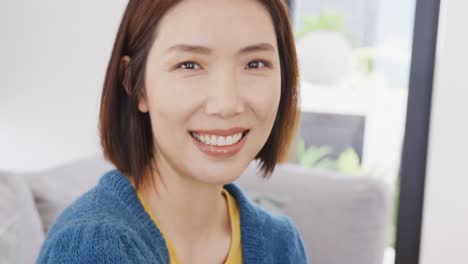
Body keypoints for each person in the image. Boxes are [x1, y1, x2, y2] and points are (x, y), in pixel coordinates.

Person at [37, 0, 307, 263]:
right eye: (189, 65)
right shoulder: (90, 247)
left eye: (255, 64)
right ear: (135, 83)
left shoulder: (280, 242)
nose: (227, 104)